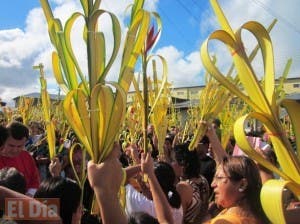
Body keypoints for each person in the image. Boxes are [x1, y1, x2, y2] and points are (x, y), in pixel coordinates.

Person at [87, 148, 175, 224]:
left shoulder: (138, 201)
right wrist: (150, 174)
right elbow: (166, 220)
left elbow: (122, 177)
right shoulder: (175, 206)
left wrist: (102, 188)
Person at [0, 121, 40, 196]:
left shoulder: (27, 157)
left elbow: (35, 180)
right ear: (4, 141)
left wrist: (30, 194)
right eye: (11, 145)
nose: (15, 150)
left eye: (19, 146)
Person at [174, 143, 210, 224]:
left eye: (173, 160)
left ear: (184, 164)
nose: (171, 163)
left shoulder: (183, 187)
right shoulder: (203, 179)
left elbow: (178, 220)